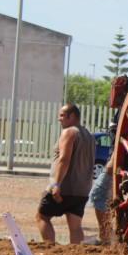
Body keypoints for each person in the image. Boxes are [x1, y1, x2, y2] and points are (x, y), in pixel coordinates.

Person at [36, 104, 95, 244]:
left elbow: (64, 159)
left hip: (64, 187)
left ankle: (50, 249)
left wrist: (56, 184)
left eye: (62, 115)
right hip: (82, 190)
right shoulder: (89, 136)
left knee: (42, 217)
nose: (59, 119)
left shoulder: (69, 132)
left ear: (72, 116)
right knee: (75, 226)